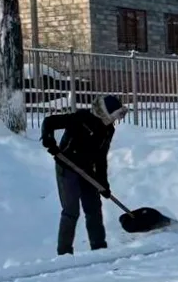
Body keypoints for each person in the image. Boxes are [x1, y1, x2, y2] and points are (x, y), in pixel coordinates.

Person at [41, 95, 127, 256]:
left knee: (94, 208)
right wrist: (49, 140)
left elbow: (101, 158)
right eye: (116, 115)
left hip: (87, 170)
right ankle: (64, 253)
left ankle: (99, 249)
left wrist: (103, 184)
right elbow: (49, 122)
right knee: (71, 211)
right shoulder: (81, 118)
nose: (117, 119)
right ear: (106, 112)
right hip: (67, 166)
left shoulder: (108, 129)